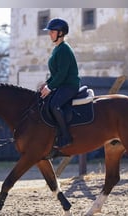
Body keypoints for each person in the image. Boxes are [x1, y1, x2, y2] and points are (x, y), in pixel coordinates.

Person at [40, 18, 81, 148]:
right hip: (62, 84)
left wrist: (50, 87)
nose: (49, 34)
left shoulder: (63, 49)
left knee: (54, 105)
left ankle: (66, 137)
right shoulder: (57, 48)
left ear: (61, 33)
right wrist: (46, 84)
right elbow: (55, 74)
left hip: (70, 86)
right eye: (50, 31)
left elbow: (62, 74)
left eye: (52, 31)